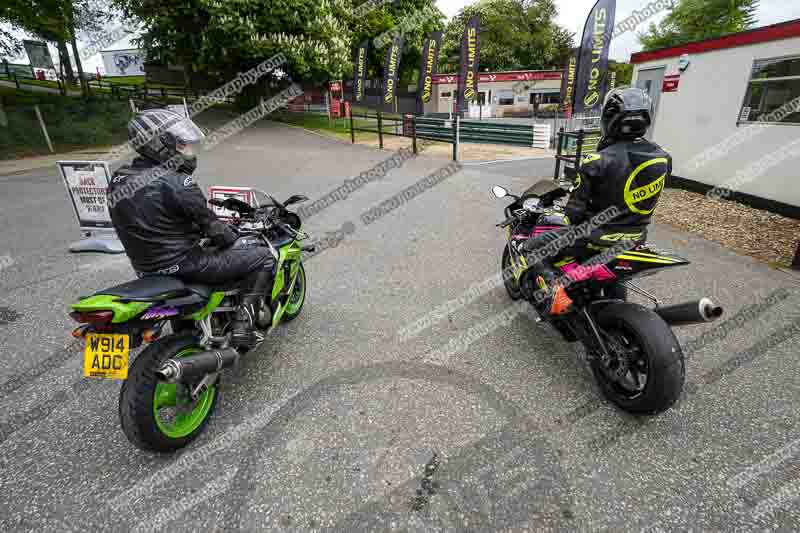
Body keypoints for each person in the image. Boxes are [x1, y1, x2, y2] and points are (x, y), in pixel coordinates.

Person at [107, 109, 273, 348]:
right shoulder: (177, 183)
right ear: (159, 145)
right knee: (262, 257)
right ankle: (242, 327)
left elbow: (151, 221)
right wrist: (232, 235)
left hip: (145, 268)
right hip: (185, 265)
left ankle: (190, 327)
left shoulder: (118, 179)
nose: (187, 152)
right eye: (181, 146)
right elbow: (217, 232)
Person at [524, 87, 672, 316]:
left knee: (531, 247)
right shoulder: (663, 157)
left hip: (595, 239)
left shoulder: (596, 160)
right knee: (615, 271)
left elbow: (573, 215)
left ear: (609, 119)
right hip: (635, 238)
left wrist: (562, 212)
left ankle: (556, 293)